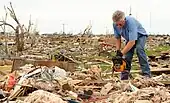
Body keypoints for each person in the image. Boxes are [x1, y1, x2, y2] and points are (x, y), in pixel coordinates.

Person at [112, 10, 151, 80]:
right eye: (116, 25)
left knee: (139, 50)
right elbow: (118, 38)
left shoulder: (131, 22)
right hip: (129, 39)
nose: (118, 26)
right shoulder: (115, 25)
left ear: (124, 20)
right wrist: (118, 51)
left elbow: (132, 42)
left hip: (140, 36)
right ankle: (124, 76)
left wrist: (121, 54)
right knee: (127, 56)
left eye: (120, 24)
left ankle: (146, 74)